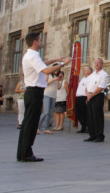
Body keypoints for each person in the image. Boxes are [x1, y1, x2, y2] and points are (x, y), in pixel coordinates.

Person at [16, 32, 70, 162]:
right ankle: (26, 154)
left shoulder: (30, 55)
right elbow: (46, 70)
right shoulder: (33, 55)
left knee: (27, 123)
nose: (42, 42)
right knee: (31, 124)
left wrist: (57, 59)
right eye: (40, 39)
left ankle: (22, 152)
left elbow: (43, 64)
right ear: (35, 41)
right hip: (34, 91)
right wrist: (63, 64)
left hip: (32, 91)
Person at [84, 58, 108, 143]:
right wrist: (87, 95)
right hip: (89, 96)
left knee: (97, 116)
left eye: (98, 63)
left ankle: (99, 135)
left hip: (97, 96)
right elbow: (86, 86)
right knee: (90, 116)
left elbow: (101, 87)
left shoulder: (104, 74)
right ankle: (92, 134)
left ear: (102, 64)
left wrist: (91, 95)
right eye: (95, 63)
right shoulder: (92, 75)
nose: (96, 64)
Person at [75, 65, 91, 133]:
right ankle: (83, 126)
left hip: (84, 97)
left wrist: (88, 98)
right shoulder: (83, 78)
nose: (84, 72)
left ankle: (86, 126)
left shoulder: (90, 78)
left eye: (85, 70)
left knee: (84, 113)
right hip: (79, 97)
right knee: (78, 112)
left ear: (89, 72)